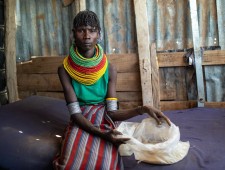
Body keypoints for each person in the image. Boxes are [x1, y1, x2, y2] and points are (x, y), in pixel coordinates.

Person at [53, 10, 171, 170]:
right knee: (69, 160)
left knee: (106, 162)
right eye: (81, 30)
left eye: (92, 30)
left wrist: (143, 109)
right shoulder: (65, 70)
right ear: (74, 34)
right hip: (80, 119)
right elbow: (75, 114)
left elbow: (113, 113)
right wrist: (102, 134)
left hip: (104, 117)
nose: (87, 35)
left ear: (99, 34)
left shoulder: (110, 69)